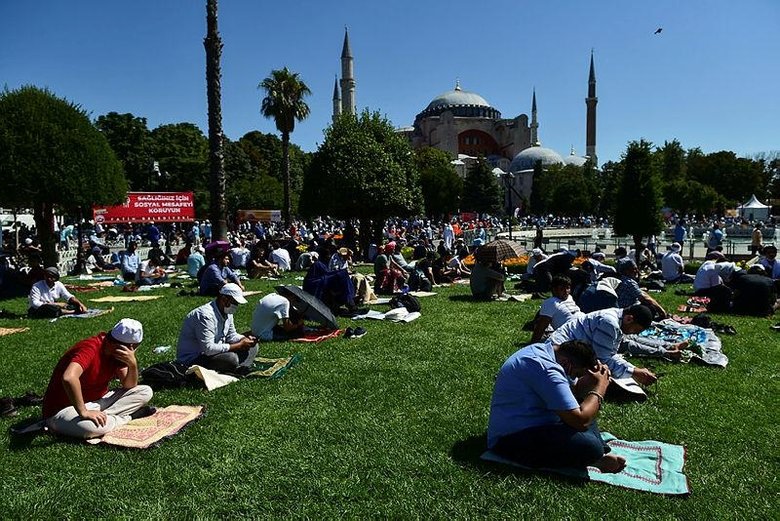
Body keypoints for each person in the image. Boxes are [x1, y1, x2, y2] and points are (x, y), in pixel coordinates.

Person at [487, 339, 625, 473]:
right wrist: (600, 387)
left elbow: (574, 391)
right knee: (590, 442)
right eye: (577, 374)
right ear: (566, 363)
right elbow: (580, 421)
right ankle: (595, 456)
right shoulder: (546, 369)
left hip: (536, 423)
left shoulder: (545, 351)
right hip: (509, 439)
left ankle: (596, 454)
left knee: (587, 410)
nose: (575, 377)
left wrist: (592, 381)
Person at [42, 318, 154, 439]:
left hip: (97, 402)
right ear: (128, 346)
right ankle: (127, 417)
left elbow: (129, 386)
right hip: (65, 409)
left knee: (145, 391)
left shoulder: (116, 355)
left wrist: (132, 364)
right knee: (91, 428)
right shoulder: (90, 348)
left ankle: (104, 417)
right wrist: (84, 412)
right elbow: (69, 377)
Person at [549, 304, 658, 385]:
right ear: (629, 319)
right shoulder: (609, 323)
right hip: (560, 353)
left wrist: (634, 369)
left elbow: (610, 355)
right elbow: (603, 359)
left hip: (570, 351)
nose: (634, 333)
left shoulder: (617, 320)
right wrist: (634, 372)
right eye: (636, 330)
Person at [176, 283, 258, 374]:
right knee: (230, 358)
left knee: (252, 347)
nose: (236, 306)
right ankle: (235, 368)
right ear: (224, 299)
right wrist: (239, 345)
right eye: (234, 302)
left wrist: (244, 339)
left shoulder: (227, 312)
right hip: (194, 359)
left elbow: (231, 335)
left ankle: (238, 368)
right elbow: (208, 349)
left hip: (215, 352)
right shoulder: (205, 316)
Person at [531, 275, 582, 342]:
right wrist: (534, 342)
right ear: (554, 289)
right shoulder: (551, 302)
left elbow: (541, 327)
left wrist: (533, 343)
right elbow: (541, 326)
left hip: (581, 325)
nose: (566, 291)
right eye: (562, 289)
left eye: (568, 288)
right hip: (574, 332)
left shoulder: (569, 297)